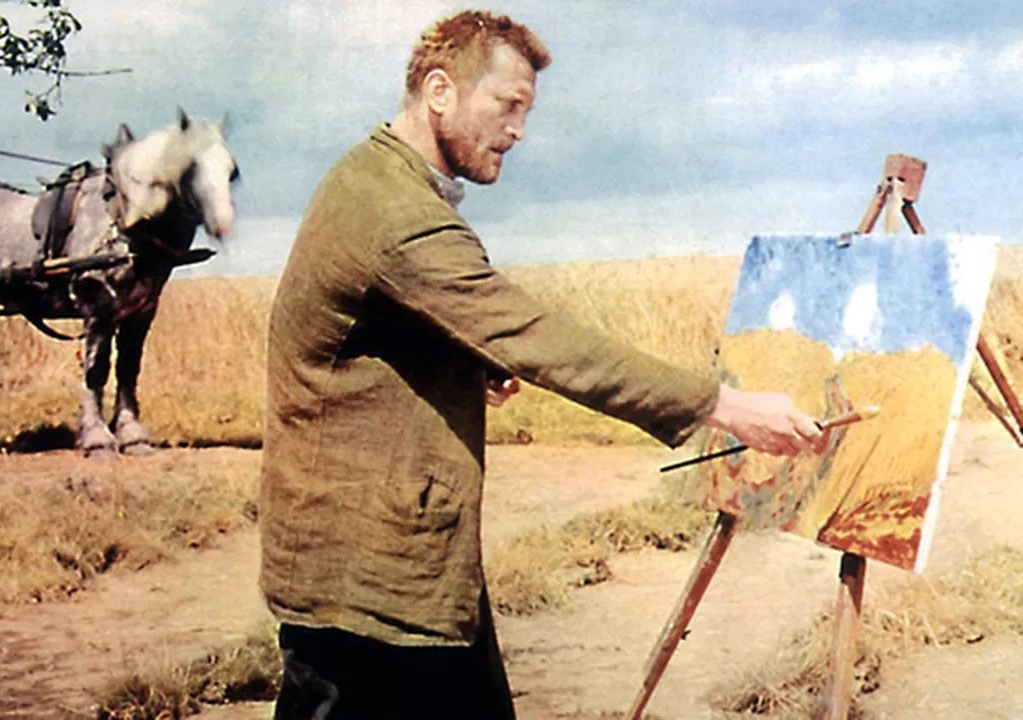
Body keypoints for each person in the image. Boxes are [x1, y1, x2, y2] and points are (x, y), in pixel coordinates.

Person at [260, 10, 823, 719]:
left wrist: (464, 365)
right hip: (366, 592)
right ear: (440, 92)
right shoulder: (397, 213)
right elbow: (539, 337)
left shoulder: (375, 180)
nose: (520, 130)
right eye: (509, 105)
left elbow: (371, 334)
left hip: (398, 573)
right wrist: (726, 406)